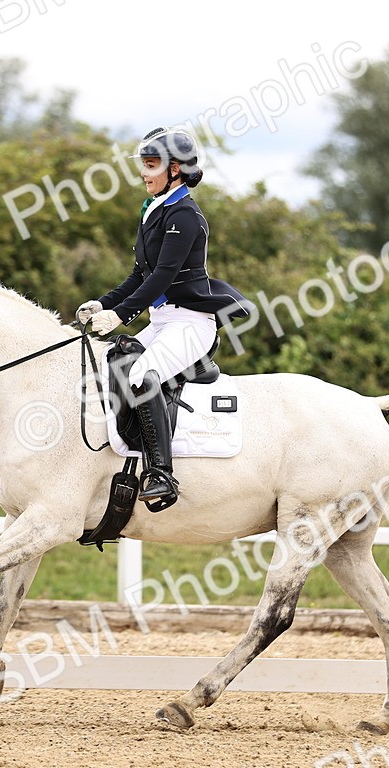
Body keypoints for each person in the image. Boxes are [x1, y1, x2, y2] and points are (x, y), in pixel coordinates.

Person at [77, 127, 255, 505]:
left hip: (191, 324)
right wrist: (105, 304)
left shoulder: (186, 215)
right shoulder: (154, 210)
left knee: (141, 376)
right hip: (163, 323)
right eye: (144, 164)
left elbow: (164, 276)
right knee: (115, 361)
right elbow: (140, 274)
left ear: (175, 169)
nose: (145, 172)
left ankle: (161, 474)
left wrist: (122, 315)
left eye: (152, 165)